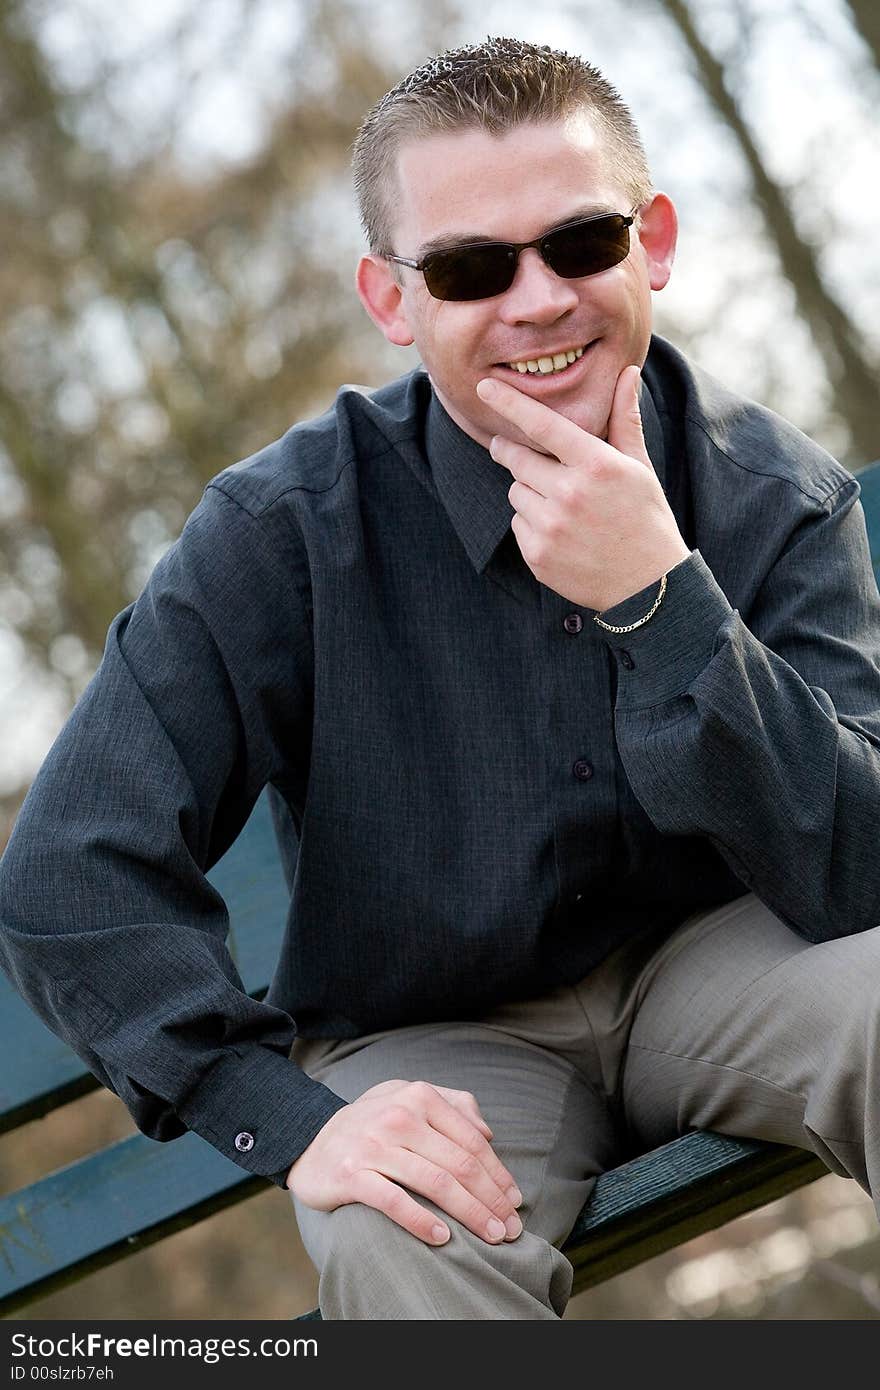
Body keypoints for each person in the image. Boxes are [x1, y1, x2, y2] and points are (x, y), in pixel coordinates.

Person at [1, 36, 880, 1321]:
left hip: (731, 965)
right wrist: (289, 1120)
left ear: (656, 243)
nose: (537, 301)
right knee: (391, 1224)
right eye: (472, 267)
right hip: (436, 1039)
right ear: (391, 299)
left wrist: (661, 601)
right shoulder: (282, 531)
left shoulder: (771, 494)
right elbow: (72, 866)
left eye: (579, 242)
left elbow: (858, 873)